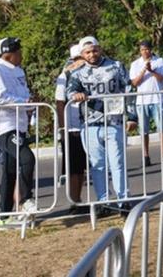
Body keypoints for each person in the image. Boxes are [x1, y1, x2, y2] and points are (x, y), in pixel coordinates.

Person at [0, 37, 36, 228]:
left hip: (18, 123)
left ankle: (4, 217)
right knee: (27, 159)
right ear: (10, 55)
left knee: (10, 171)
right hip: (2, 125)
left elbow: (21, 92)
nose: (22, 55)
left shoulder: (17, 70)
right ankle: (26, 199)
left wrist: (28, 104)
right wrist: (24, 103)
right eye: (19, 52)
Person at [67, 36, 131, 206]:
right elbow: (70, 91)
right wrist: (76, 95)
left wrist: (132, 115)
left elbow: (129, 88)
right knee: (97, 165)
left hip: (114, 121)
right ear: (82, 54)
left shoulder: (116, 66)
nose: (92, 54)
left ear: (100, 49)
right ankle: (104, 201)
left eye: (94, 50)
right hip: (90, 124)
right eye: (87, 52)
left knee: (117, 162)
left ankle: (123, 199)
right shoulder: (77, 73)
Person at [55, 44, 89, 213]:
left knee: (82, 166)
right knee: (73, 167)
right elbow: (59, 102)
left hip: (87, 124)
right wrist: (63, 127)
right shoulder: (65, 75)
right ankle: (73, 201)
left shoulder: (89, 72)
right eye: (78, 59)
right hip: (71, 127)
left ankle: (79, 199)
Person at [129, 41, 163, 168]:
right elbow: (134, 83)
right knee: (144, 130)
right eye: (142, 50)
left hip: (157, 99)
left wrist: (151, 71)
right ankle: (145, 156)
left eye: (147, 49)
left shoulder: (159, 61)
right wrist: (143, 71)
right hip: (142, 101)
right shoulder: (135, 64)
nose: (145, 52)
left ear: (150, 50)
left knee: (161, 128)